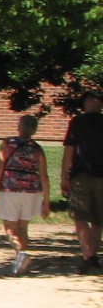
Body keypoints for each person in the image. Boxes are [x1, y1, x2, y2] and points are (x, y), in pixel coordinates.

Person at [0, 113, 49, 275]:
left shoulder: (8, 144)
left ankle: (21, 253)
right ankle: (20, 260)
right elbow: (44, 175)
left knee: (10, 228)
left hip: (10, 188)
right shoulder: (37, 149)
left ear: (19, 126)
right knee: (23, 226)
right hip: (32, 190)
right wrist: (46, 200)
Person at [62, 90, 103, 273]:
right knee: (98, 219)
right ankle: (92, 256)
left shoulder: (77, 122)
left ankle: (88, 256)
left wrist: (64, 176)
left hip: (80, 176)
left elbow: (69, 151)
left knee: (80, 217)